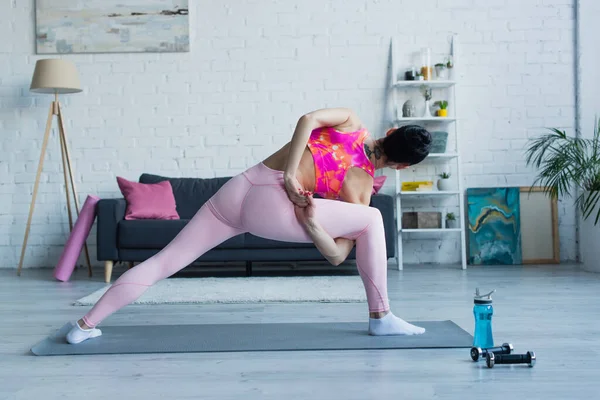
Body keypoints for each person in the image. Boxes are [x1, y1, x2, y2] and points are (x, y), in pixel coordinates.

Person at [66, 107, 432, 344]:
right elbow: (337, 256)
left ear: (391, 129)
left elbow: (307, 120)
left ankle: (83, 325)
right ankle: (380, 316)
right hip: (274, 208)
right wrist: (311, 222)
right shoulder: (362, 188)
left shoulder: (350, 121)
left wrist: (289, 173)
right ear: (401, 167)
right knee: (372, 219)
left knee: (164, 262)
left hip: (239, 187)